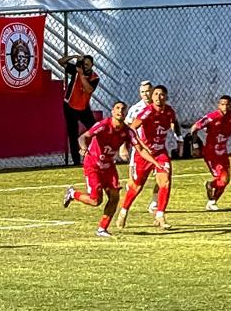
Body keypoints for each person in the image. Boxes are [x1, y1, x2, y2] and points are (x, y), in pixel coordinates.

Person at [63, 101, 162, 236]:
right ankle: (73, 193)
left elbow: (140, 150)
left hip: (109, 166)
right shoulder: (103, 125)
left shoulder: (127, 131)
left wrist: (155, 162)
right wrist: (84, 147)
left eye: (123, 109)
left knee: (114, 196)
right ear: (112, 111)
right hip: (93, 164)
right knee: (95, 200)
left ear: (126, 113)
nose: (120, 111)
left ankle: (102, 229)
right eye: (117, 108)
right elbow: (83, 137)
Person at [118, 85, 181, 230]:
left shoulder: (169, 111)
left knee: (165, 182)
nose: (159, 97)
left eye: (162, 94)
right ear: (152, 97)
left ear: (166, 96)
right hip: (145, 155)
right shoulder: (147, 112)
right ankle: (123, 211)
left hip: (160, 153)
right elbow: (132, 128)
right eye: (156, 94)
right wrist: (139, 144)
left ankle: (160, 215)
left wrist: (180, 139)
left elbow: (174, 122)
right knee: (136, 186)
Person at [191, 95, 231, 211]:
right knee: (223, 178)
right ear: (219, 105)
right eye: (222, 104)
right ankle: (210, 187)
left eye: (228, 104)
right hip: (211, 153)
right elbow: (194, 128)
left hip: (223, 153)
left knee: (226, 180)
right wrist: (195, 146)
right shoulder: (212, 117)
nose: (225, 107)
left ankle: (212, 200)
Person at [59, 52, 100, 164]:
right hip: (70, 106)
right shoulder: (76, 70)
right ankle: (76, 162)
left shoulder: (94, 77)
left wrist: (81, 75)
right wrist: (74, 57)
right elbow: (61, 62)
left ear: (92, 65)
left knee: (96, 130)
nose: (85, 66)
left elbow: (89, 90)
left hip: (83, 108)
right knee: (72, 133)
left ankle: (98, 155)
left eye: (87, 64)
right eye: (84, 63)